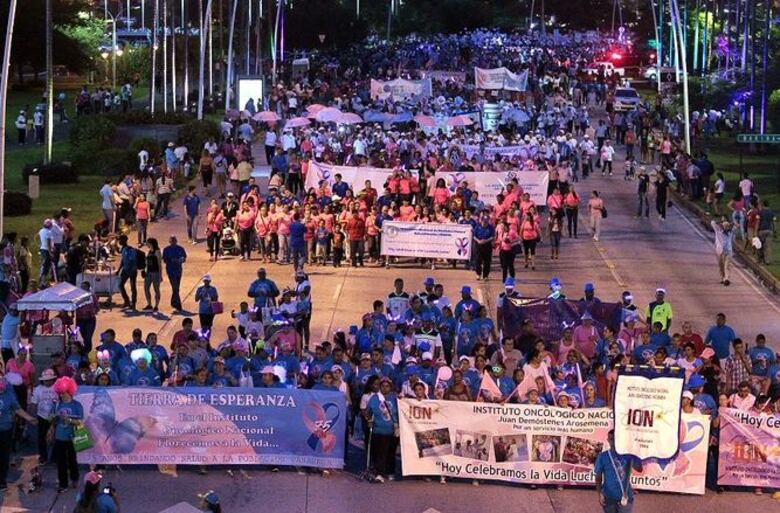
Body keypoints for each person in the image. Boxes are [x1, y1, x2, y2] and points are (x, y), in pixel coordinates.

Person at [0, 375, 37, 492]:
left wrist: (30, 418)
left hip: (6, 429)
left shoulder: (9, 395)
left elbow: (17, 409)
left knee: (4, 456)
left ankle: (2, 481)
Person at [595, 430, 641, 513]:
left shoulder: (628, 454)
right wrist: (599, 494)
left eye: (615, 439)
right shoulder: (603, 456)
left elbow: (639, 469)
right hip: (608, 497)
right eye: (611, 439)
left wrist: (634, 455)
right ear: (608, 440)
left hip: (625, 496)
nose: (613, 441)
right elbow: (598, 477)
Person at [50, 376, 82, 492]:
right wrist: (53, 418)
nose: (61, 395)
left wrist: (68, 420)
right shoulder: (57, 404)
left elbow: (80, 421)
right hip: (59, 437)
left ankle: (75, 477)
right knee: (61, 462)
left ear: (69, 391)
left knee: (72, 459)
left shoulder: (76, 405)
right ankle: (63, 484)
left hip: (72, 436)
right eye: (60, 393)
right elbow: (51, 419)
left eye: (63, 393)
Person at [30, 368, 58, 463]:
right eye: (46, 380)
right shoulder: (38, 389)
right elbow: (34, 403)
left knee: (56, 437)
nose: (48, 382)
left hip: (55, 416)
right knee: (41, 437)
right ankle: (43, 456)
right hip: (42, 416)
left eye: (50, 380)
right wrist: (33, 416)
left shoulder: (57, 388)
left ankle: (54, 457)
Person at [162, 236, 187, 312]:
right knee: (175, 287)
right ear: (169, 242)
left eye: (174, 241)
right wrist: (172, 260)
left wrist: (181, 260)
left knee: (176, 288)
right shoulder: (166, 249)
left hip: (178, 270)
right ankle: (178, 305)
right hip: (171, 270)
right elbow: (165, 259)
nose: (173, 242)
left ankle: (173, 302)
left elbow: (184, 257)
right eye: (171, 241)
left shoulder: (180, 249)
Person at [116, 235, 138, 310]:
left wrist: (129, 270)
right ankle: (127, 301)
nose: (119, 242)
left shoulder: (130, 250)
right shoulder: (123, 249)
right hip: (125, 270)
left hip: (132, 271)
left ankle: (133, 303)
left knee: (133, 287)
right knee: (120, 285)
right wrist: (119, 270)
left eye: (120, 240)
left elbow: (132, 261)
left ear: (125, 240)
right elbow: (123, 260)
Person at [711, 217, 735, 286]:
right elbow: (712, 222)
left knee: (726, 266)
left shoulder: (730, 231)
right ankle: (723, 278)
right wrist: (720, 222)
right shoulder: (718, 230)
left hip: (728, 251)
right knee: (721, 265)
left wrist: (730, 224)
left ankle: (726, 279)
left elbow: (736, 225)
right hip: (720, 251)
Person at [142, 238, 163, 312]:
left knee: (156, 289)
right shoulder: (149, 251)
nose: (146, 244)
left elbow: (159, 264)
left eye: (147, 243)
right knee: (146, 288)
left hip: (155, 273)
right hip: (149, 272)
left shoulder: (157, 251)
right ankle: (149, 304)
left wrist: (160, 275)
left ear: (151, 243)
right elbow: (147, 263)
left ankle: (156, 305)